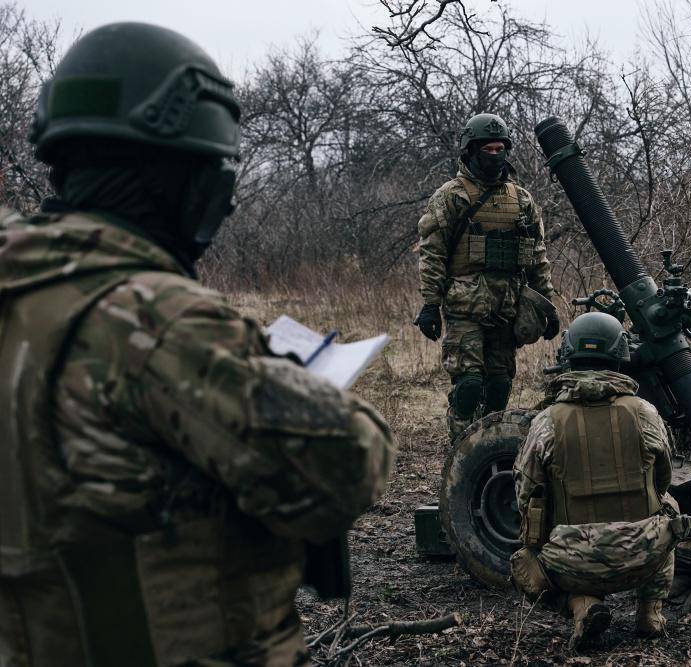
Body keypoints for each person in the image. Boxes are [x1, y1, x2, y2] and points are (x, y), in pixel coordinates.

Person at [0, 23, 395, 666]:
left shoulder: (22, 291)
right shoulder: (156, 322)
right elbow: (348, 465)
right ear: (182, 179)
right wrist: (282, 376)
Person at [510, 312, 691, 650]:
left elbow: (525, 491)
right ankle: (649, 613)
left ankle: (583, 606)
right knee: (670, 507)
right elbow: (665, 477)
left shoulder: (546, 421)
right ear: (620, 355)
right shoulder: (645, 412)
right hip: (644, 555)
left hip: (571, 562)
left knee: (523, 562)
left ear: (567, 356)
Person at [414, 113, 559, 440]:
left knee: (499, 385)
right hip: (464, 306)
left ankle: (488, 449)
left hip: (506, 308)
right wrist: (429, 304)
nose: (495, 155)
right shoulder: (452, 196)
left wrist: (546, 306)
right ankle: (460, 451)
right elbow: (433, 253)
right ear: (471, 150)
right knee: (468, 384)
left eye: (500, 148)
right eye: (487, 149)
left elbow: (536, 256)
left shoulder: (521, 199)